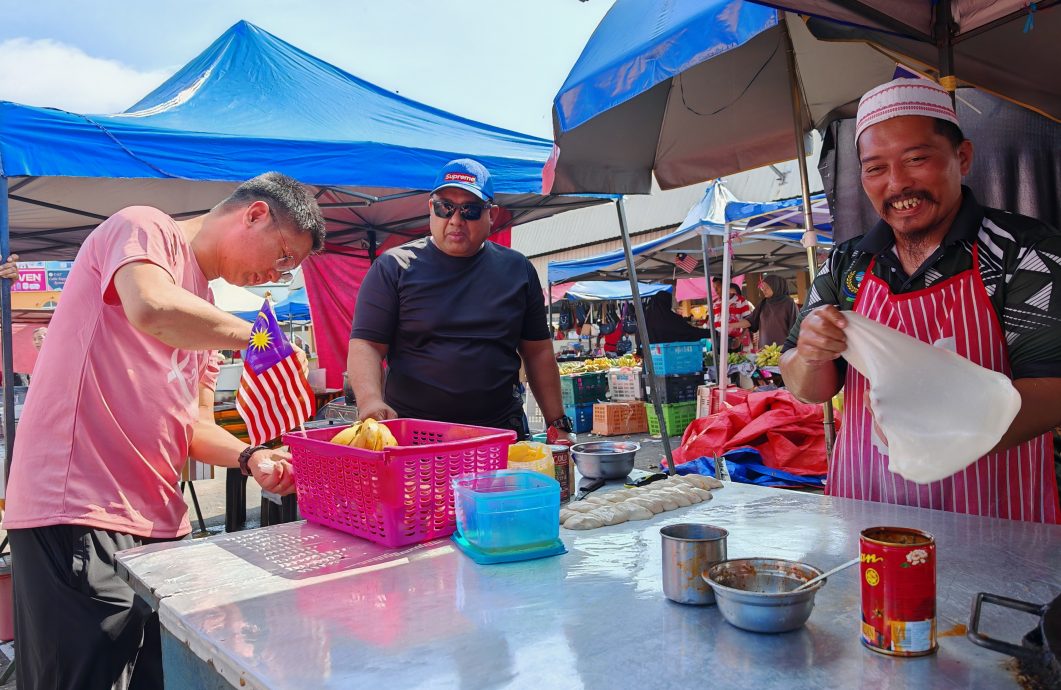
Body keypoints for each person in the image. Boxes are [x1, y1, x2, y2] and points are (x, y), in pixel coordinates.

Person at [2, 171, 327, 688]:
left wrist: (250, 457)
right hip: (78, 509)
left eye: (286, 272)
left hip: (159, 524)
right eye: (283, 257)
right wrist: (261, 338)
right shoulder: (145, 227)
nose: (273, 275)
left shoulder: (205, 313)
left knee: (162, 676)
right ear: (256, 213)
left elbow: (192, 426)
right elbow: (150, 305)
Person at [780, 77, 1060, 523]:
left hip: (992, 515)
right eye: (875, 169)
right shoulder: (846, 264)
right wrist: (810, 355)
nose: (898, 184)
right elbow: (811, 388)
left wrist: (935, 425)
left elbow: (1054, 388)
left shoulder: (1023, 252)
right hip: (866, 510)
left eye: (916, 159)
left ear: (961, 157)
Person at [347, 159, 568, 439]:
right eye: (445, 207)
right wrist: (370, 401)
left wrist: (557, 423)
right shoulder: (394, 267)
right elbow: (367, 344)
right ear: (431, 209)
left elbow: (538, 352)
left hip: (498, 432)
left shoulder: (517, 269)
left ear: (492, 215)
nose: (455, 220)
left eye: (470, 210)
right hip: (417, 436)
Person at [733, 275, 799, 349]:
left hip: (784, 350)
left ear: (775, 287)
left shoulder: (789, 303)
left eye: (767, 287)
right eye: (763, 287)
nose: (764, 290)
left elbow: (795, 328)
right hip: (764, 350)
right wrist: (730, 325)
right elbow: (750, 321)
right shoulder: (763, 303)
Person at [641, 291, 707, 344]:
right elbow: (688, 331)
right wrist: (709, 333)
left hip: (650, 356)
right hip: (673, 355)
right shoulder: (670, 319)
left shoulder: (645, 319)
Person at [711, 278, 752, 352]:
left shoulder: (741, 301)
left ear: (726, 285)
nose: (716, 290)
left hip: (734, 341)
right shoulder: (714, 303)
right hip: (717, 340)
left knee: (734, 362)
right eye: (714, 288)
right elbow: (710, 322)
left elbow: (748, 322)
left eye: (718, 287)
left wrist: (740, 338)